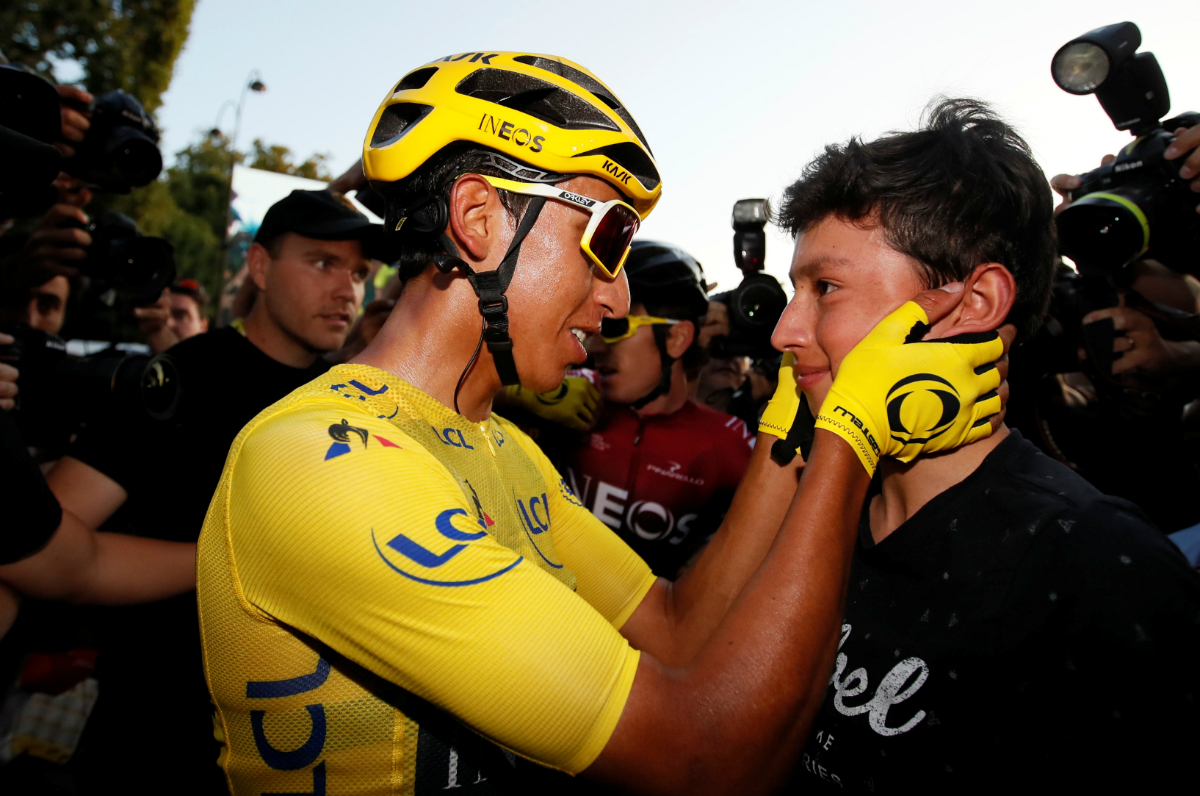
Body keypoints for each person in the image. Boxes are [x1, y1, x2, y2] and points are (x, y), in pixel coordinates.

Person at [195, 52, 1011, 796]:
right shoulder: (322, 463)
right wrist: (850, 446)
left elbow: (678, 633)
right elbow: (707, 761)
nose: (617, 300)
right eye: (607, 238)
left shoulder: (502, 446)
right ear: (479, 219)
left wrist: (786, 437)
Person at [775, 99, 1200, 791]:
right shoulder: (812, 513)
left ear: (973, 305)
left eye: (825, 288)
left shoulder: (1097, 570)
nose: (784, 333)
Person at [42, 188, 387, 794]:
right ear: (258, 266)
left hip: (295, 753)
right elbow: (48, 539)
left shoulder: (351, 402)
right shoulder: (185, 378)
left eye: (359, 272)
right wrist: (238, 563)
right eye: (322, 263)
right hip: (149, 740)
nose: (347, 291)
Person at [559, 240, 754, 577]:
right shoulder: (561, 394)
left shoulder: (728, 444)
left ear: (677, 338)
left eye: (617, 328)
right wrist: (512, 395)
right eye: (596, 327)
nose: (596, 347)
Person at [135, 278, 211, 353]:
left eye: (180, 315)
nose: (168, 323)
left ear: (203, 326)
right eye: (162, 313)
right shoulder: (133, 362)